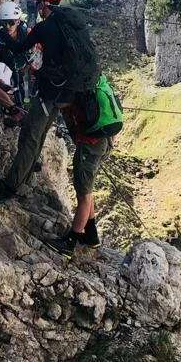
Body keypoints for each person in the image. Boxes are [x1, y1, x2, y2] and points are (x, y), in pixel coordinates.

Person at [0, 0, 99, 207]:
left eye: (38, 4)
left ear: (43, 4)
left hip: (50, 92)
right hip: (68, 92)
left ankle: (8, 187)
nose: (37, 8)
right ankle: (24, 173)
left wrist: (3, 32)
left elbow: (19, 47)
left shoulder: (44, 27)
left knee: (30, 136)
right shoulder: (72, 22)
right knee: (39, 134)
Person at [44, 96, 112, 256]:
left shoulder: (75, 87)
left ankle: (70, 242)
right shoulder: (90, 83)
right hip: (101, 141)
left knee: (83, 194)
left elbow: (61, 101)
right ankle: (91, 234)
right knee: (86, 188)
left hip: (91, 145)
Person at [0, 1, 26, 122]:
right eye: (4, 23)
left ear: (18, 21)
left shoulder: (26, 33)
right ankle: (13, 110)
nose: (7, 26)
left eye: (11, 23)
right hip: (2, 69)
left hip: (19, 68)